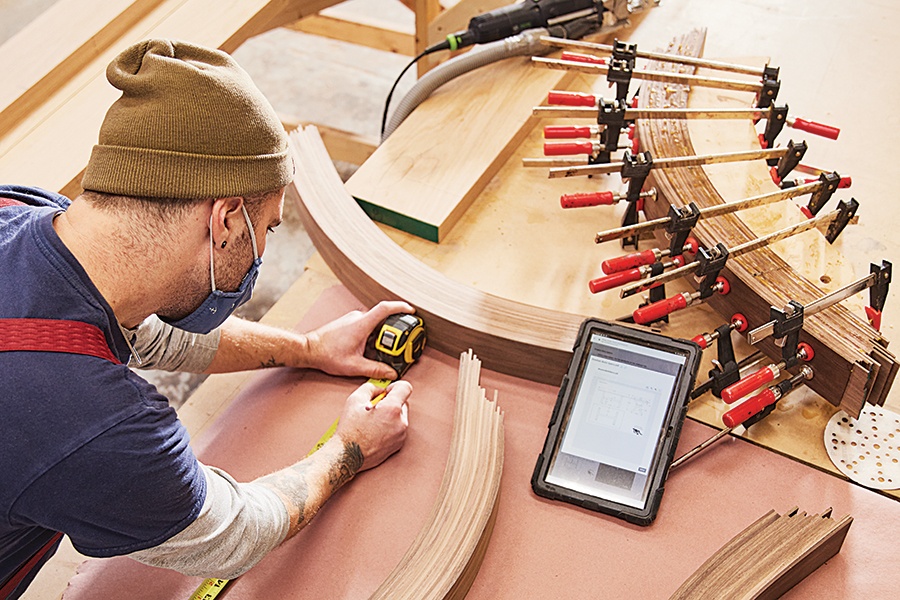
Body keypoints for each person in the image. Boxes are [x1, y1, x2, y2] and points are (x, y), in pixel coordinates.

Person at [0, 39, 413, 598]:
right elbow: (235, 533)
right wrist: (351, 448)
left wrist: (310, 347)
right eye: (267, 227)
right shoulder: (93, 424)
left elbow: (148, 335)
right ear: (224, 221)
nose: (264, 249)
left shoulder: (22, 213)